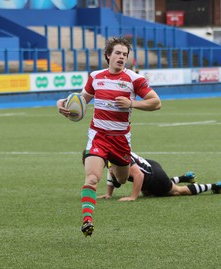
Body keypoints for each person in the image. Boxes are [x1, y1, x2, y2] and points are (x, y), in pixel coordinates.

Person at [57, 37, 161, 237]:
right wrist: (60, 103)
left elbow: (156, 103)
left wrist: (131, 104)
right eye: (118, 53)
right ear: (108, 55)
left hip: (121, 141)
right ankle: (87, 219)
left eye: (125, 54)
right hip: (98, 136)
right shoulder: (95, 77)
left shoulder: (133, 79)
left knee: (121, 179)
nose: (122, 57)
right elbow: (80, 101)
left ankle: (112, 168)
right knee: (92, 178)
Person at [98, 152, 221, 200]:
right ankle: (184, 177)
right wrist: (109, 194)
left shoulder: (118, 156)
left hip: (154, 176)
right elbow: (111, 170)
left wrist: (133, 197)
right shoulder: (112, 152)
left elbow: (139, 175)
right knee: (147, 194)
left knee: (177, 192)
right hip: (151, 166)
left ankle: (214, 186)